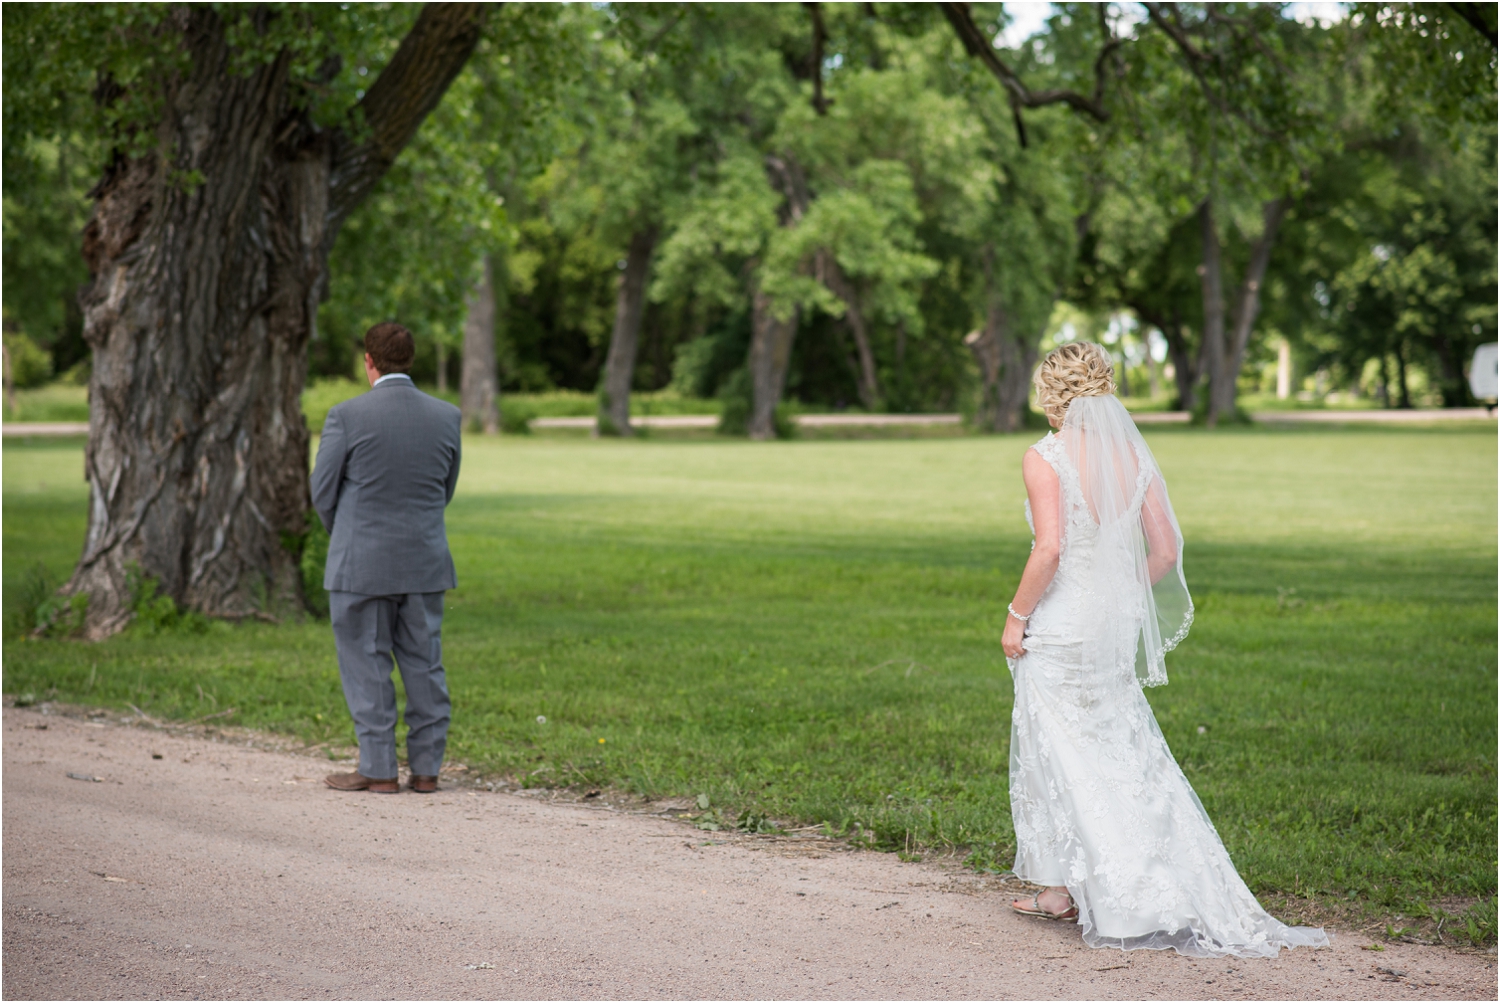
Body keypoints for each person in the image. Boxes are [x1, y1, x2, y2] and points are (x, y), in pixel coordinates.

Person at [1000, 342, 1328, 958]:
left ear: (1052, 392)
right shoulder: (1132, 457)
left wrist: (1016, 617)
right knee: (1123, 746)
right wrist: (1123, 594)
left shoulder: (1043, 458)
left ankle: (1072, 891)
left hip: (1066, 624)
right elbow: (1167, 551)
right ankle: (1097, 884)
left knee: (1056, 749)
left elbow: (1048, 551)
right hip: (1115, 623)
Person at [312, 322, 462, 795]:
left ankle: (378, 769)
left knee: (366, 662)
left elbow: (322, 492)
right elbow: (445, 489)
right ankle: (426, 771)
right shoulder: (446, 416)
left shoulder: (346, 415)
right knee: (425, 663)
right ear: (410, 359)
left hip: (361, 563)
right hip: (424, 559)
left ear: (368, 361)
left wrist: (350, 536)